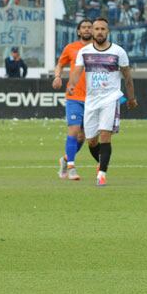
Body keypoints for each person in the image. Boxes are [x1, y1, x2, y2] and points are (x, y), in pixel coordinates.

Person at [67, 17, 138, 187]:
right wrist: (71, 85)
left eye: (102, 29)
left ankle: (102, 174)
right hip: (91, 100)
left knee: (105, 135)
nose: (99, 32)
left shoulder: (118, 52)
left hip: (110, 98)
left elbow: (127, 77)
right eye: (96, 29)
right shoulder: (84, 52)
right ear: (92, 31)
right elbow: (77, 71)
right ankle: (102, 162)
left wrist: (131, 98)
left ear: (108, 32)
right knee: (91, 140)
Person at [53, 19, 92, 181]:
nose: (87, 29)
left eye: (89, 27)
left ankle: (65, 159)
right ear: (78, 31)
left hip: (93, 98)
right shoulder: (71, 48)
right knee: (74, 131)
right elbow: (60, 64)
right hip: (74, 96)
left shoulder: (99, 49)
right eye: (83, 27)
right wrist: (57, 76)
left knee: (83, 137)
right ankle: (71, 168)